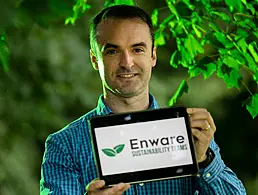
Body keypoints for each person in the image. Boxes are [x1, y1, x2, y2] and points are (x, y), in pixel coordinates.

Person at [40, 5, 246, 195]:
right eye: (112, 51)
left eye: (137, 49)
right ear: (95, 59)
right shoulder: (65, 145)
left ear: (153, 56)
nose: (127, 62)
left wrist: (204, 160)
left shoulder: (188, 132)